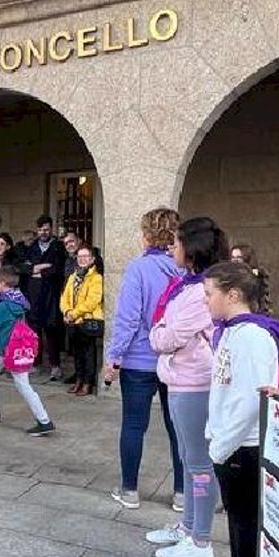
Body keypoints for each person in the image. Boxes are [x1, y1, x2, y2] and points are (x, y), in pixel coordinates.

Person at [191, 261, 279, 557]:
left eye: (209, 294)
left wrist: (222, 445)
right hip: (228, 442)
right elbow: (224, 390)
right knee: (236, 516)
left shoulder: (251, 336)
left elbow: (252, 398)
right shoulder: (232, 332)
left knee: (245, 518)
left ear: (232, 294)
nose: (205, 301)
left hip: (242, 447)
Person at [144, 217, 227, 557]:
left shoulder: (197, 292)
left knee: (198, 463)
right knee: (188, 459)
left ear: (192, 249)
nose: (170, 248)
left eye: (176, 243)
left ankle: (201, 540)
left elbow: (166, 337)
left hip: (195, 384)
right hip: (182, 380)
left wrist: (159, 331)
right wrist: (161, 329)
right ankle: (189, 525)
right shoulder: (189, 285)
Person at [105, 207, 185, 513]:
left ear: (147, 235)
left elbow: (127, 318)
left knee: (134, 425)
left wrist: (113, 357)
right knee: (177, 427)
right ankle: (181, 494)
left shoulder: (138, 268)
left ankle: (129, 491)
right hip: (177, 361)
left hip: (139, 359)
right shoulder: (186, 271)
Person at [0, 264, 55, 436]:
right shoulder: (20, 300)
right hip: (19, 348)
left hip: (4, 348)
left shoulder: (3, 306)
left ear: (2, 283)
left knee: (6, 379)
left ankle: (43, 420)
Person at [21, 215, 68, 381]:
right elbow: (23, 267)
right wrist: (38, 268)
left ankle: (55, 366)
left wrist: (39, 272)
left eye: (46, 229)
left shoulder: (58, 247)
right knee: (34, 331)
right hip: (33, 295)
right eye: (41, 230)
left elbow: (58, 268)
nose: (43, 232)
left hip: (51, 296)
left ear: (51, 229)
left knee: (51, 331)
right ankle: (35, 363)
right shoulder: (31, 247)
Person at [61, 243, 105, 396]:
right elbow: (64, 297)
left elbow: (92, 301)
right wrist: (66, 311)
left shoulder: (96, 278)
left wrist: (74, 314)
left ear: (92, 259)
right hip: (73, 321)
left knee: (88, 353)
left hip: (87, 321)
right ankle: (78, 379)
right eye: (80, 256)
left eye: (86, 256)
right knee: (77, 353)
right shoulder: (73, 276)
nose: (82, 259)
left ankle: (88, 382)